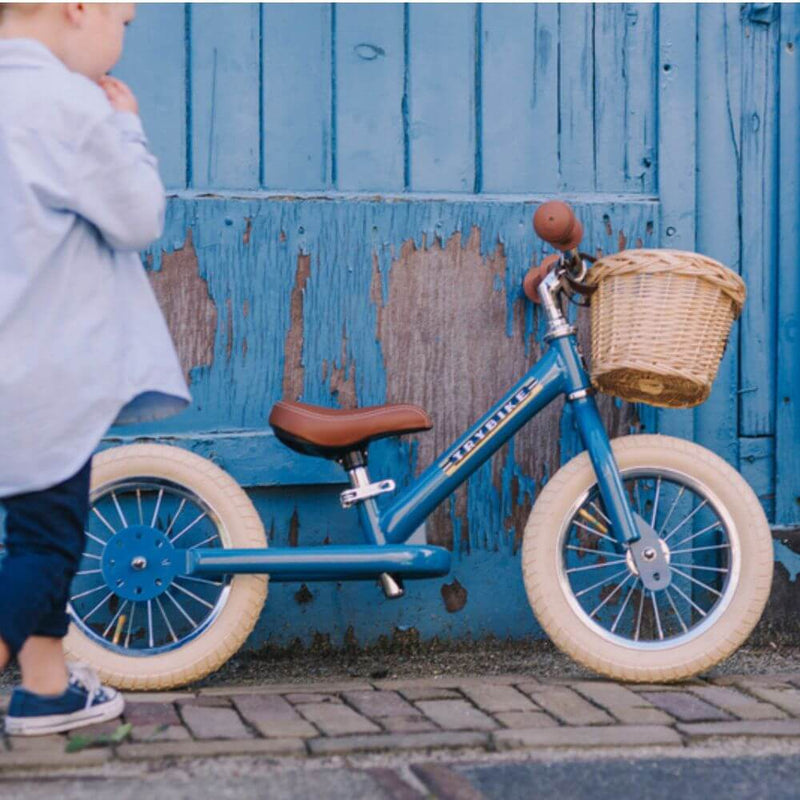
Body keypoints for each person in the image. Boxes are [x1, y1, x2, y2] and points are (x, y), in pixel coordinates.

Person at [0, 3, 190, 735]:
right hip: (42, 376)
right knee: (46, 543)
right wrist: (125, 128)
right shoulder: (71, 105)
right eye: (125, 20)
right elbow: (137, 217)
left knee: (30, 535)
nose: (121, 36)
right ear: (81, 7)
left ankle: (46, 691)